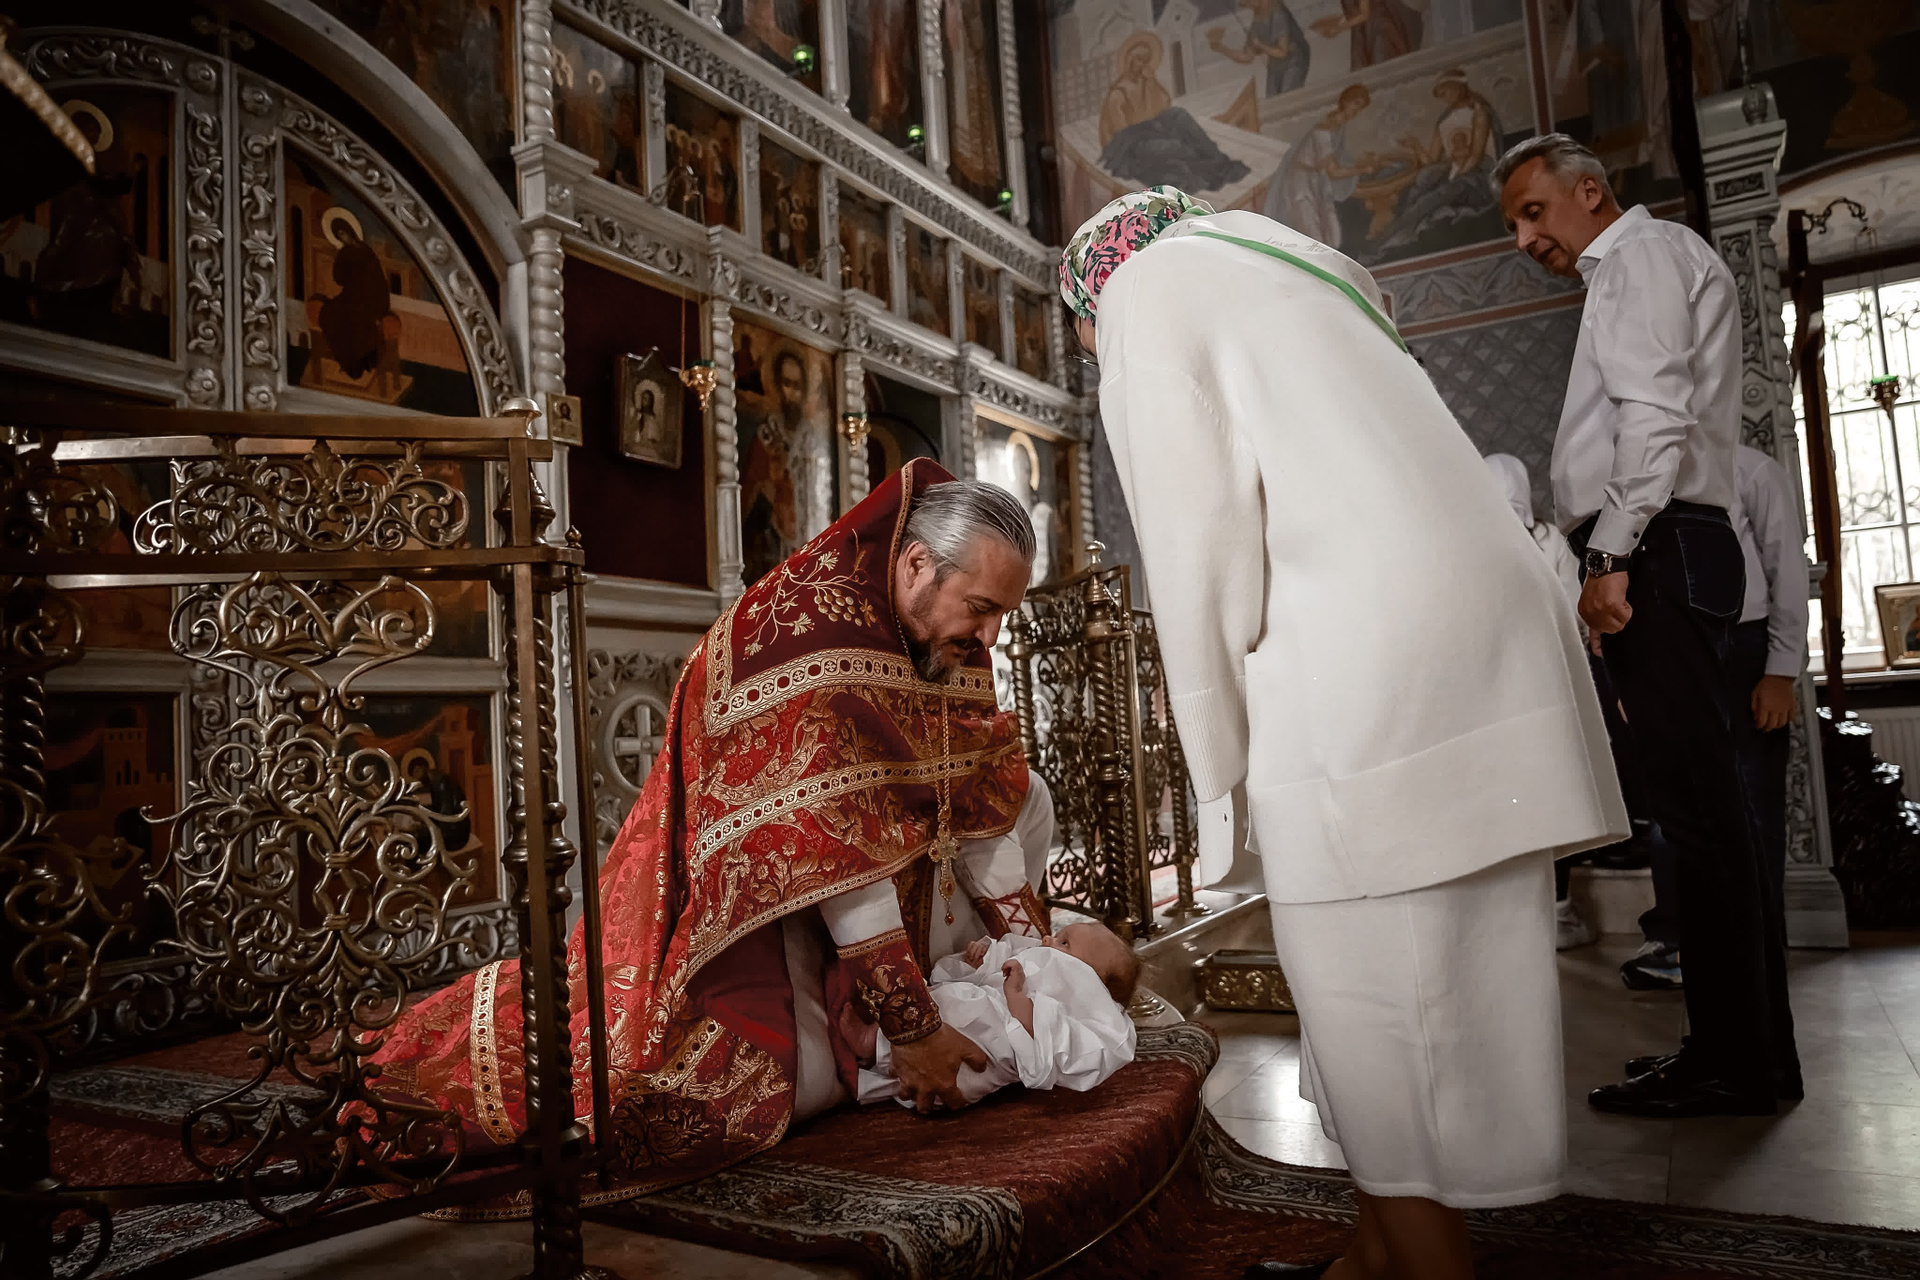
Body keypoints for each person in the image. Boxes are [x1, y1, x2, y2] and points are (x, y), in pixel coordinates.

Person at [1060, 186, 1627, 1280]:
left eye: (1085, 343)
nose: (1095, 360)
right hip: (1480, 634)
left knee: (1377, 997)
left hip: (1367, 658)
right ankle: (1371, 1253)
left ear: (1094, 288)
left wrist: (1209, 761)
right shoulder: (1303, 266)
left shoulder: (1143, 295)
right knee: (1453, 975)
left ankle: (1425, 1262)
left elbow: (1198, 545)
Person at [365, 463, 1048, 1202]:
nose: (989, 636)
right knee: (755, 1097)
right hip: (750, 910)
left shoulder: (947, 636)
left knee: (1027, 793)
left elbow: (979, 794)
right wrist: (913, 1031)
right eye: (980, 608)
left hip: (862, 883)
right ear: (917, 564)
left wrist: (1040, 967)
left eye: (1000, 613)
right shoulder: (808, 628)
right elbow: (827, 846)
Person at [1496, 133, 1800, 1118]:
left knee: (1706, 823)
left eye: (1534, 212)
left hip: (1660, 548)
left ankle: (1732, 1061)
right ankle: (1750, 1052)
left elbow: (1654, 414)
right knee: (1716, 820)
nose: (1523, 237)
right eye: (1512, 224)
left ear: (1589, 190)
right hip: (1673, 546)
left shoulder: (1640, 256)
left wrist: (1611, 554)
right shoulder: (1641, 265)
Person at [1483, 452, 1596, 951]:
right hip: (1493, 693)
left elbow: (1573, 612)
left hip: (1551, 687)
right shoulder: (1472, 542)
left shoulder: (1552, 544)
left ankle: (1558, 908)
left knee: (1554, 795)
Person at [845, 923, 1139, 1108]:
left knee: (957, 1006)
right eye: (1059, 934)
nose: (1048, 938)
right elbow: (1005, 966)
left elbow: (1041, 1037)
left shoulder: (1071, 1001)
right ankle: (873, 1070)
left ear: (1088, 978)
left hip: (992, 1050)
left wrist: (1015, 995)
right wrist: (982, 962)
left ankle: (871, 1042)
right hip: (989, 1024)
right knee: (952, 1001)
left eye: (1064, 943)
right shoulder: (1045, 959)